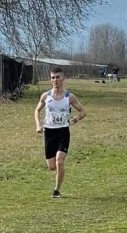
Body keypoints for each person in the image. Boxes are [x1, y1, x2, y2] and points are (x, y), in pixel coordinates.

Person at [34, 67, 87, 199]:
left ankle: (57, 190)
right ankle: (57, 175)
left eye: (58, 77)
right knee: (52, 166)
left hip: (63, 132)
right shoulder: (46, 96)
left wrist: (77, 118)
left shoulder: (69, 97)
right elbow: (37, 111)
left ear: (63, 78)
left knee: (59, 162)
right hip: (49, 133)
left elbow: (83, 111)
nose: (55, 80)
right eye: (53, 77)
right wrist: (38, 125)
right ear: (50, 79)